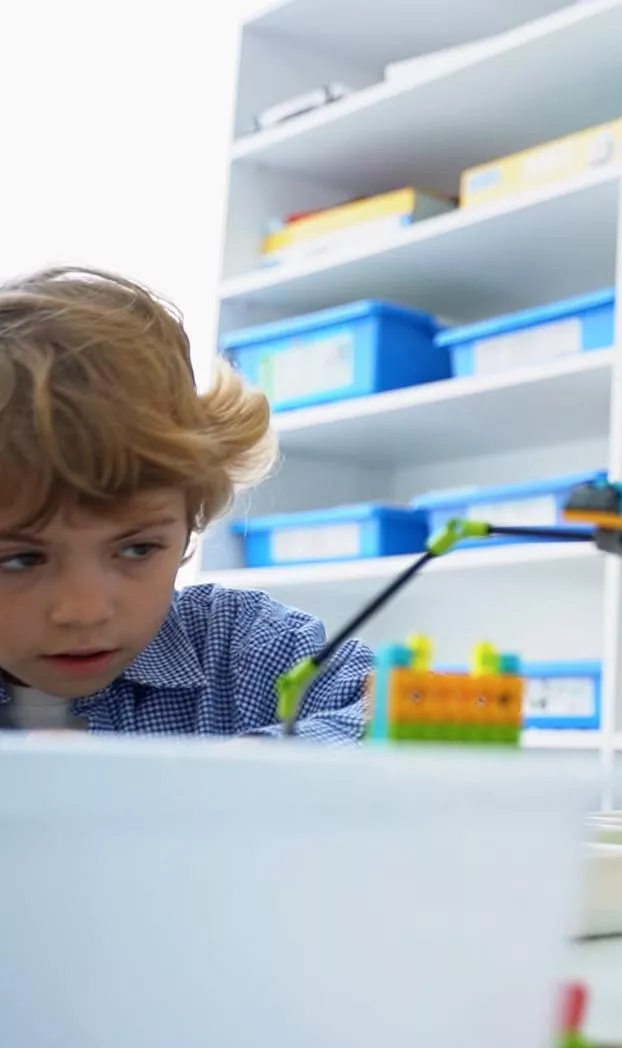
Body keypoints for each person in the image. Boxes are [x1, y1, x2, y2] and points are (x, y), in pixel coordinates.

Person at [0, 266, 367, 740]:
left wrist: (218, 776)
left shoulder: (243, 646)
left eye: (137, 549)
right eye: (20, 559)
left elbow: (388, 715)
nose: (84, 610)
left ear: (193, 515)